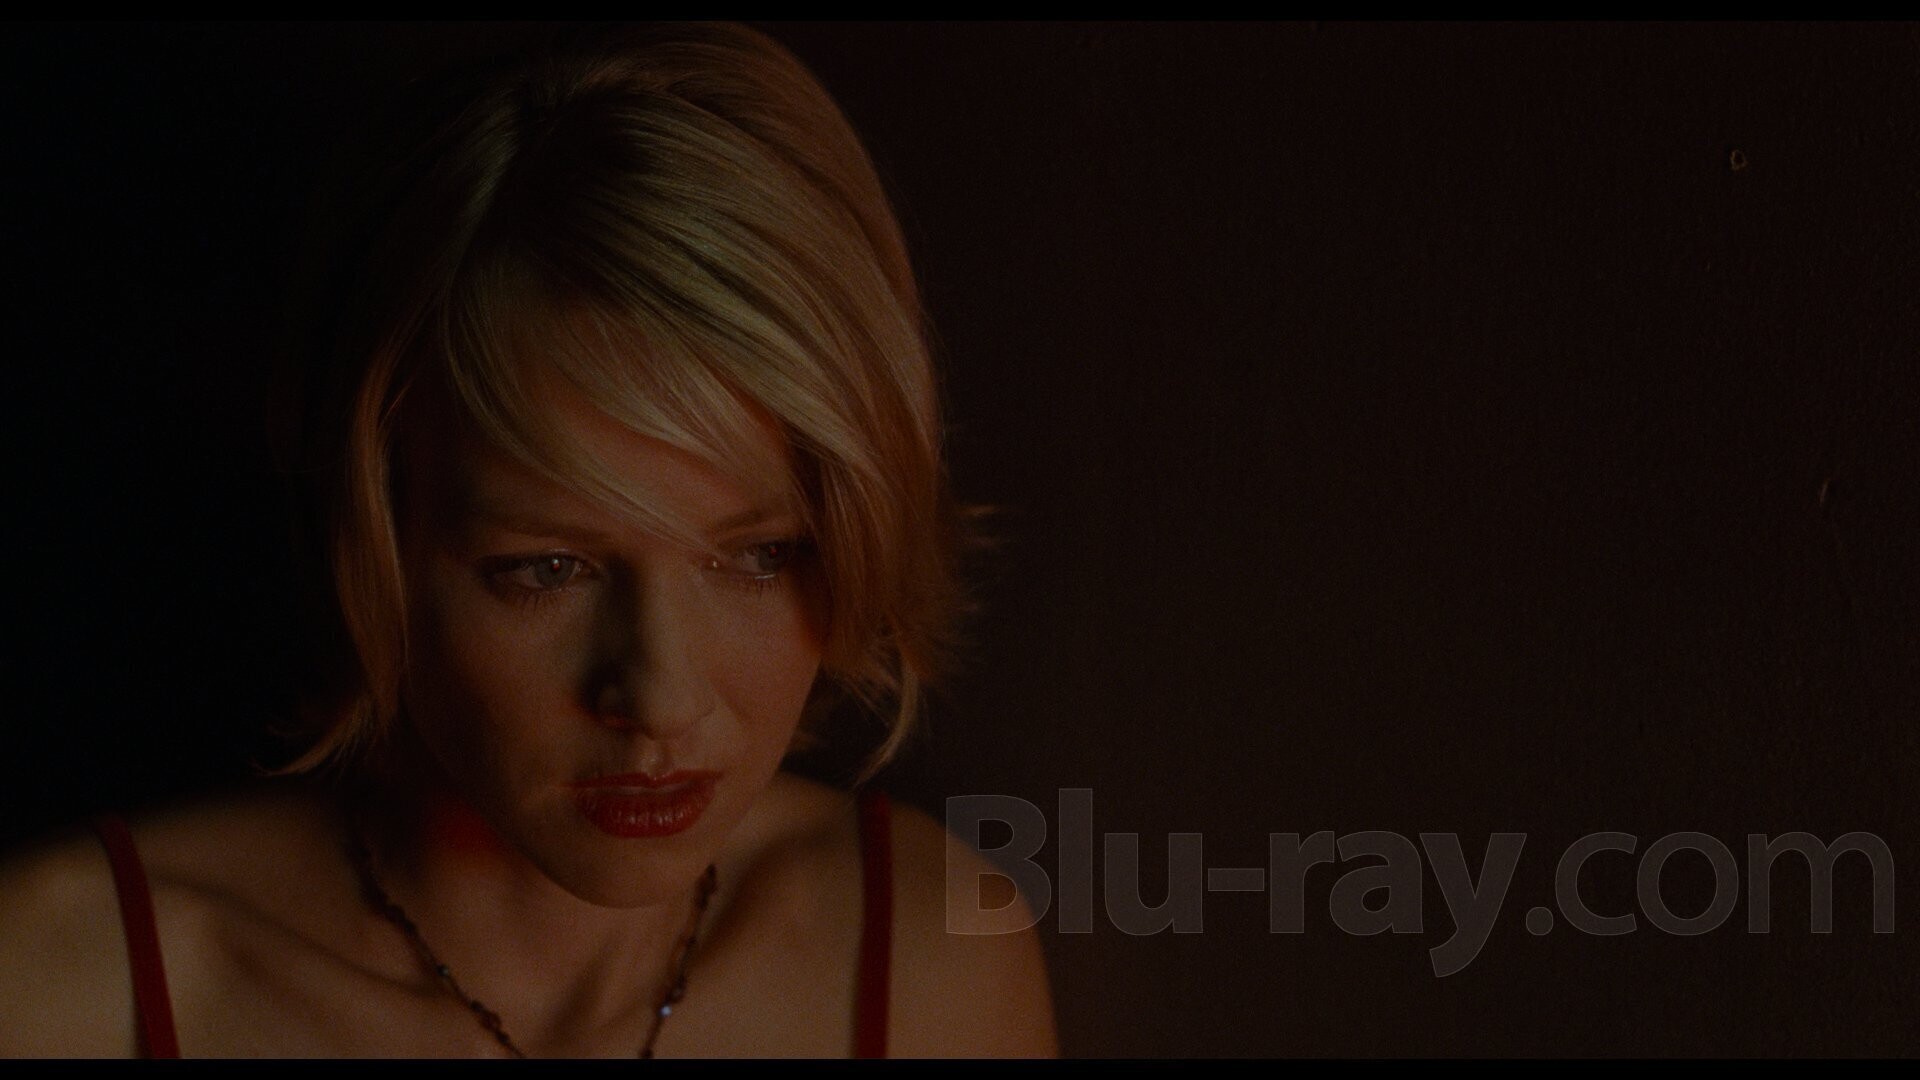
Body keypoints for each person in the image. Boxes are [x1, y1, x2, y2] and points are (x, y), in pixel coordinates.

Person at [0, 23, 1055, 1058]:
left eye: (760, 555)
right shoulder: (62, 990)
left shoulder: (927, 955)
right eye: (547, 569)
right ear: (371, 525)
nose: (660, 700)